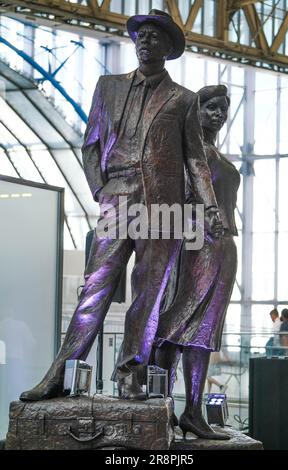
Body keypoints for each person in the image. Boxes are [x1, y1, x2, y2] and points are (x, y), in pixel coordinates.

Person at [20, 10, 221, 402]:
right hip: (116, 200)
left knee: (148, 293)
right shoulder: (107, 86)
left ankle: (130, 374)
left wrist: (210, 207)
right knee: (94, 288)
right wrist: (101, 190)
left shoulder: (182, 100)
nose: (145, 41)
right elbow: (90, 144)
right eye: (141, 35)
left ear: (168, 47)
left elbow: (195, 160)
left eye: (154, 36)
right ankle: (60, 372)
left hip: (163, 209)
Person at [153, 85, 240, 440]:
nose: (218, 114)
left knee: (204, 331)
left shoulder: (214, 154)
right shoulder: (187, 153)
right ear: (196, 110)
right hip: (195, 240)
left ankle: (192, 410)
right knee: (176, 321)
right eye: (211, 108)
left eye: (223, 109)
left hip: (223, 246)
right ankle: (161, 405)